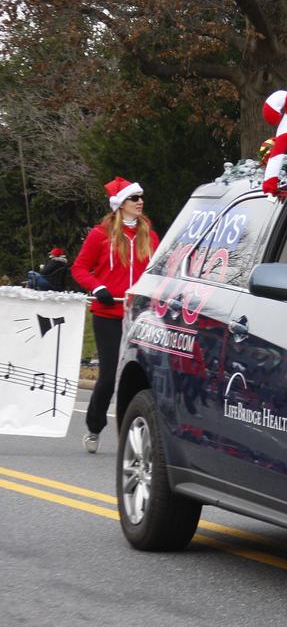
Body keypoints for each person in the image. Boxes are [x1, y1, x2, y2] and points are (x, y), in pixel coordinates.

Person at [71, 177, 159, 453]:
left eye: (142, 197)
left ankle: (135, 434)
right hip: (108, 313)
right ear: (121, 204)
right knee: (109, 376)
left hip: (141, 316)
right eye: (135, 198)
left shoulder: (150, 235)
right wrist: (98, 287)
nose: (140, 202)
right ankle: (94, 427)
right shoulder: (100, 235)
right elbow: (79, 268)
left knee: (141, 377)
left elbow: (158, 271)